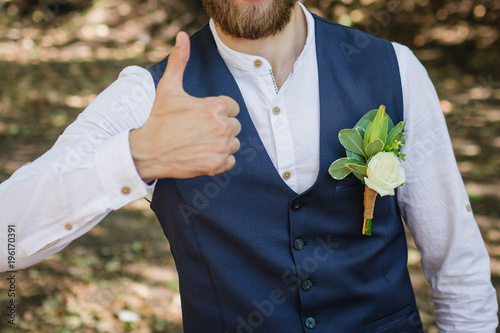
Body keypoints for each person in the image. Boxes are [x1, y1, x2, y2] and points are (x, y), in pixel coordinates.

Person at [0, 0, 497, 331]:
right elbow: (7, 236)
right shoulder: (147, 95)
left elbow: (457, 263)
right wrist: (134, 156)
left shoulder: (395, 68)